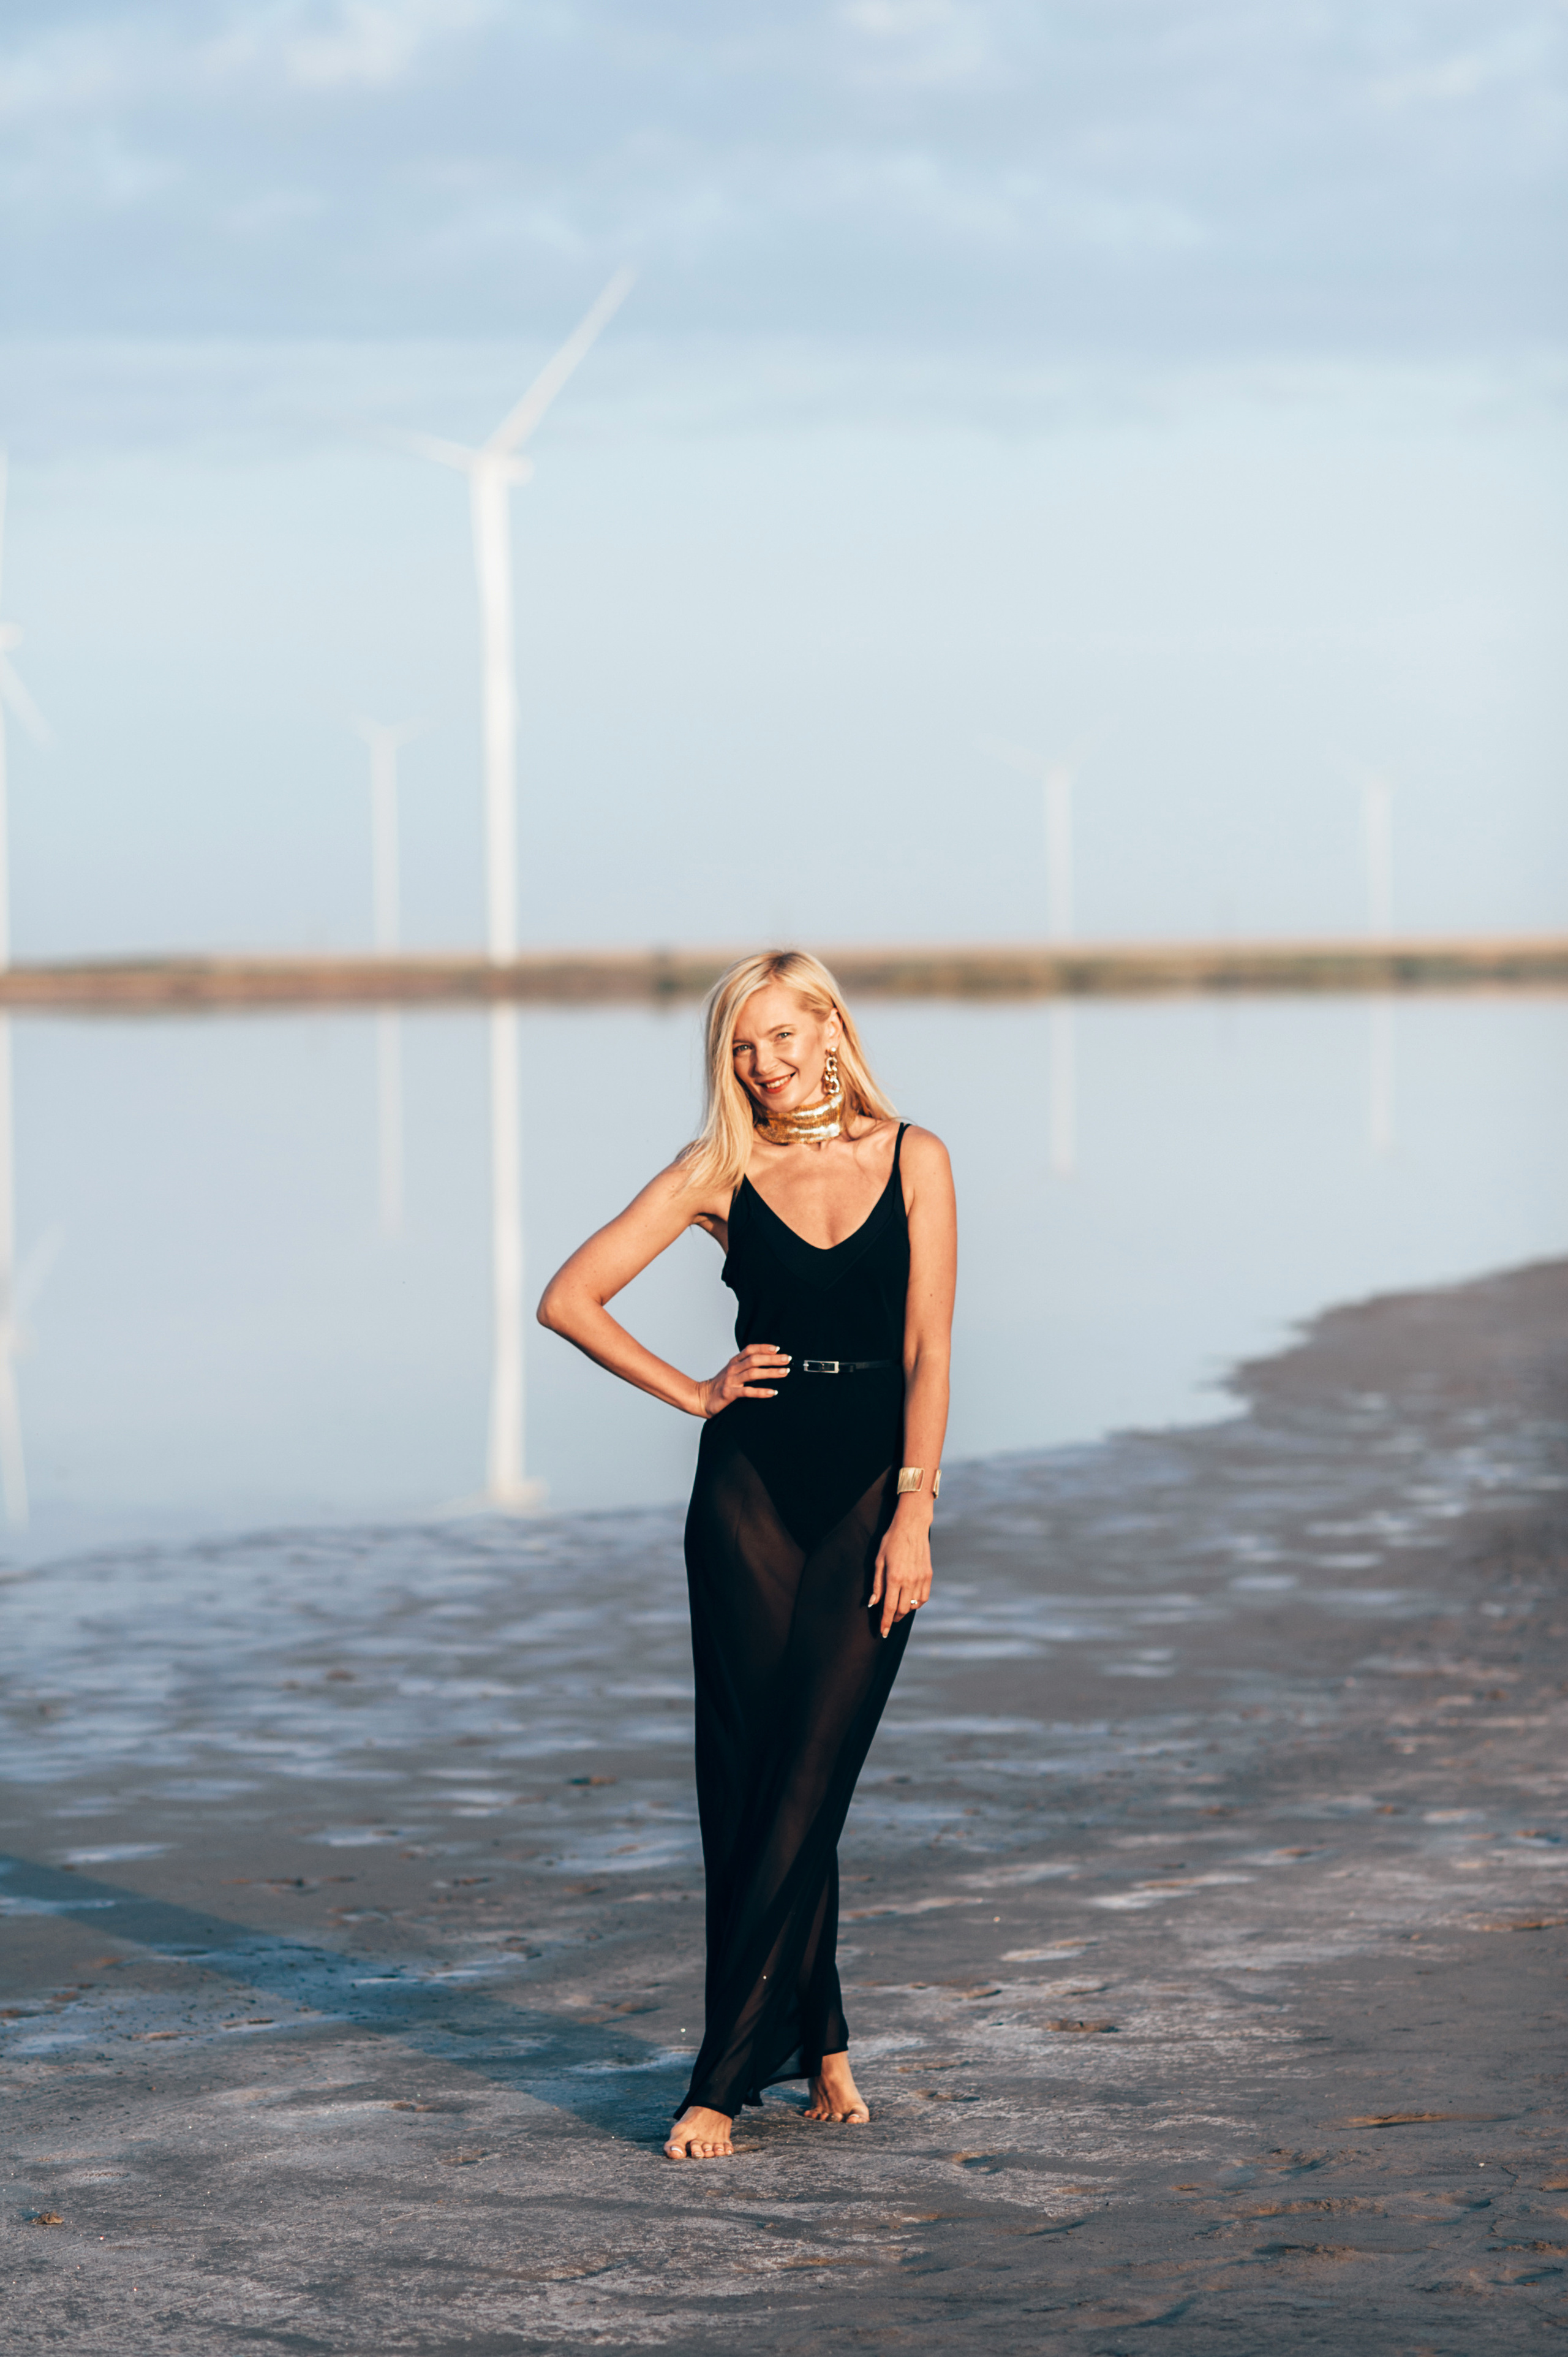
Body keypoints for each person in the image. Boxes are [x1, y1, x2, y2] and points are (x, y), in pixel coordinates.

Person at [538, 950, 957, 2160]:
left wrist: (915, 1510)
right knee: (754, 1780)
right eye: (739, 1046)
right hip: (747, 1499)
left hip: (871, 1494)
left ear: (828, 1028)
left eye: (779, 1037)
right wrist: (692, 1392)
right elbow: (571, 1296)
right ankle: (810, 2045)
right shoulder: (721, 1168)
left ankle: (720, 2079)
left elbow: (927, 1351)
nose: (760, 1065)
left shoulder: (913, 1158)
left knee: (811, 1769)